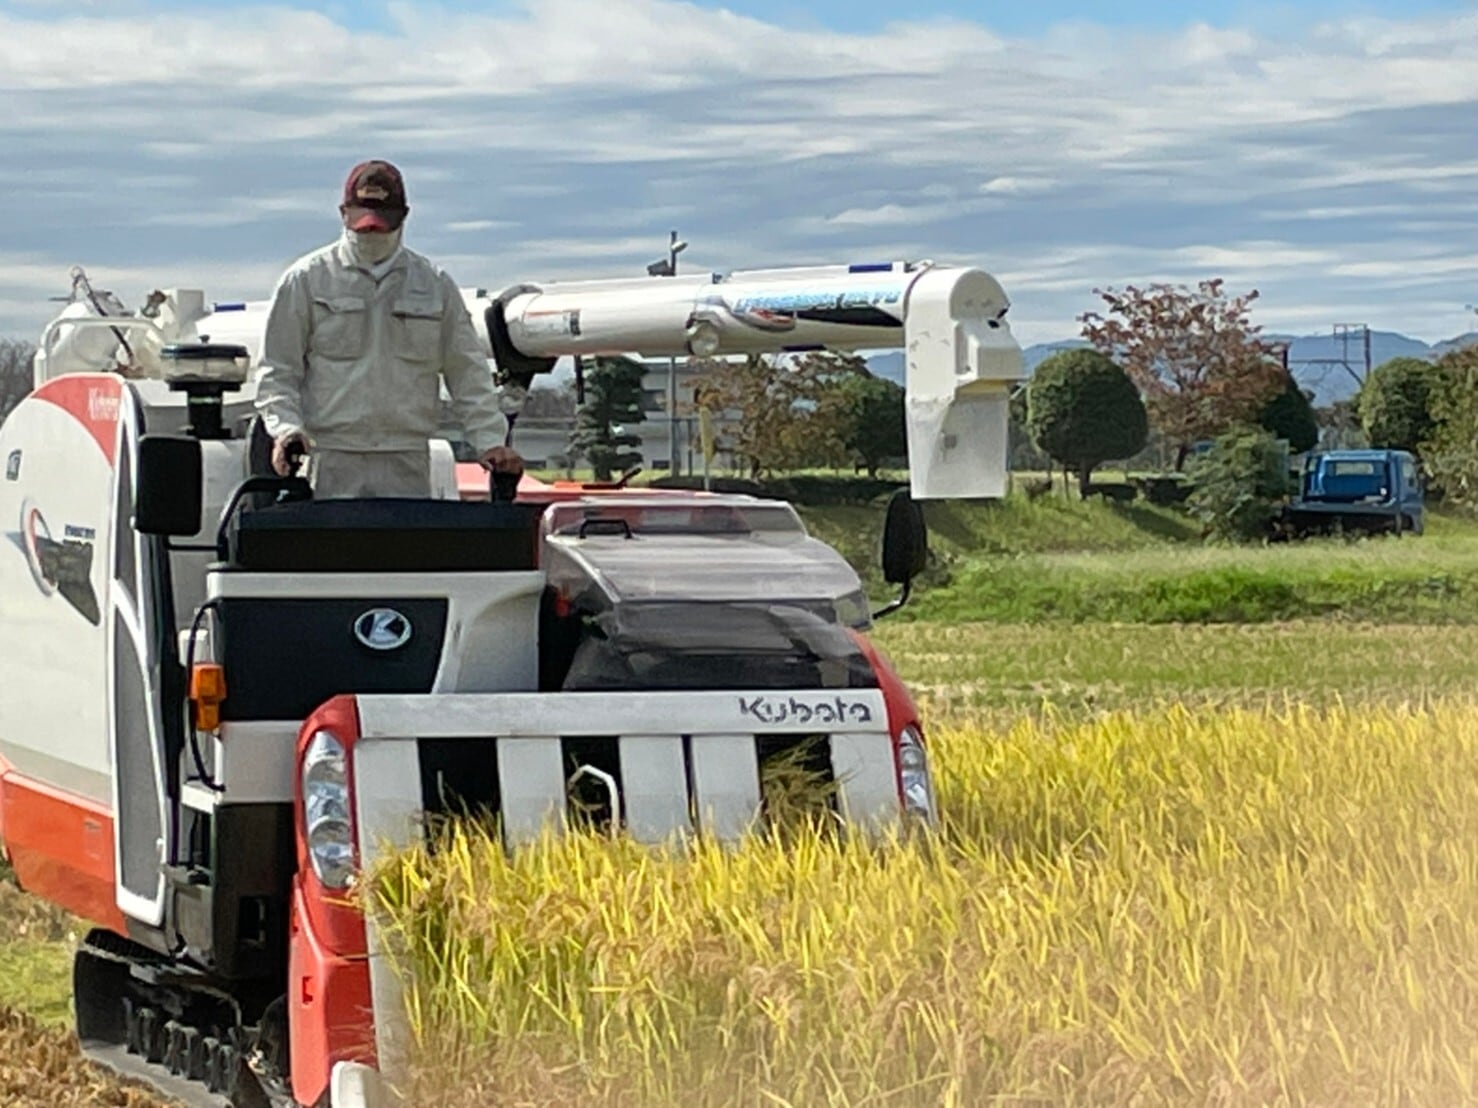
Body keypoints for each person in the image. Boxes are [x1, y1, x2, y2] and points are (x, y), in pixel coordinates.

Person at [254, 160, 522, 498]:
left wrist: (490, 442)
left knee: (404, 535)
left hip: (407, 458)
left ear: (403, 217)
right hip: (331, 456)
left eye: (381, 226)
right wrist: (286, 429)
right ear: (343, 214)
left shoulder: (434, 285)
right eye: (363, 226)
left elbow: (467, 371)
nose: (372, 235)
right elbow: (277, 369)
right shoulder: (306, 280)